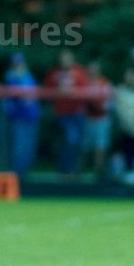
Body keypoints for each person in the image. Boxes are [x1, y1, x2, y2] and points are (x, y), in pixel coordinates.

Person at [43, 49, 89, 180]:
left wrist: (73, 91)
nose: (65, 61)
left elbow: (86, 89)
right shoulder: (53, 73)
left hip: (77, 112)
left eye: (68, 58)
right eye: (63, 58)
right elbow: (46, 90)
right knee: (69, 139)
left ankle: (74, 171)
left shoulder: (79, 71)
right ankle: (65, 170)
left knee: (77, 142)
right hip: (62, 113)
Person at [2, 52, 40, 182]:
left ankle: (24, 174)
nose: (19, 66)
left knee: (29, 148)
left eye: (20, 63)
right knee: (19, 148)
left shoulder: (28, 77)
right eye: (16, 64)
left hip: (31, 117)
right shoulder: (10, 78)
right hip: (19, 118)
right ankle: (17, 175)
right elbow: (10, 100)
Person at [82, 60, 112, 180]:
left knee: (100, 146)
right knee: (84, 147)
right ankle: (80, 172)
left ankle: (99, 171)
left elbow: (108, 103)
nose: (93, 72)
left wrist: (97, 105)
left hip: (101, 119)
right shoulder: (84, 83)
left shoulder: (104, 83)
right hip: (88, 119)